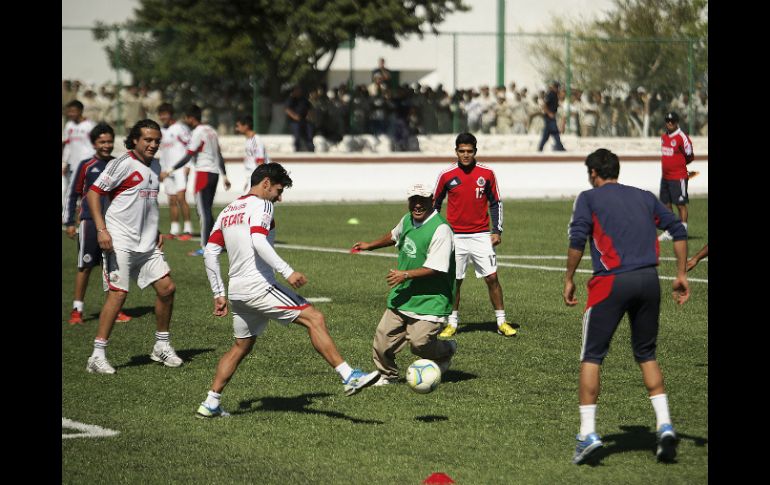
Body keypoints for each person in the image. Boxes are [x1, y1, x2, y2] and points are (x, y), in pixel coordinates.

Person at [197, 163, 379, 417]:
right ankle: (349, 376)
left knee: (241, 346)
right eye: (279, 190)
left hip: (237, 291)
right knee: (314, 318)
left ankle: (210, 402)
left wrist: (219, 293)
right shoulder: (262, 205)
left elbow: (210, 252)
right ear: (266, 183)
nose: (279, 197)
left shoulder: (229, 210)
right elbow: (258, 239)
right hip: (258, 286)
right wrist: (287, 271)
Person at [563, 148, 690, 465]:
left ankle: (588, 434)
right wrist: (680, 274)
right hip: (649, 281)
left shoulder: (589, 198)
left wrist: (568, 278)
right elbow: (677, 228)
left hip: (611, 283)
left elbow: (578, 239)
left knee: (592, 355)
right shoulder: (645, 196)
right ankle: (664, 425)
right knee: (646, 354)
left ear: (593, 173)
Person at [85, 119, 182, 374]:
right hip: (120, 241)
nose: (153, 145)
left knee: (167, 288)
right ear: (135, 140)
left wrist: (156, 230)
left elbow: (145, 204)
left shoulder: (155, 165)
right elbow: (94, 193)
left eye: (156, 141)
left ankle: (161, 346)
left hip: (147, 243)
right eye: (148, 140)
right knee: (118, 294)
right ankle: (97, 355)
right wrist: (101, 229)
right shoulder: (123, 163)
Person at [352, 183, 458, 386]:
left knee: (420, 345)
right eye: (413, 200)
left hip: (431, 299)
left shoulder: (441, 229)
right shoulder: (407, 219)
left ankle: (447, 350)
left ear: (433, 201)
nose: (417, 205)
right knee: (382, 343)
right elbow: (394, 236)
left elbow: (437, 268)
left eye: (422, 200)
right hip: (404, 294)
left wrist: (406, 274)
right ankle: (388, 376)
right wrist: (370, 245)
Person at [433, 132, 516, 338]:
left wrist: (496, 231)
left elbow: (496, 202)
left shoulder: (487, 174)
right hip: (455, 237)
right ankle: (452, 323)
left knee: (492, 277)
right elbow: (435, 204)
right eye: (462, 151)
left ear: (475, 151)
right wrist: (435, 233)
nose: (466, 155)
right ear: (456, 152)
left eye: (470, 151)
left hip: (481, 235)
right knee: (454, 281)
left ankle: (501, 321)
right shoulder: (446, 175)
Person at [62, 123, 131, 325]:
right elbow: (73, 193)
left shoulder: (118, 164)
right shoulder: (86, 165)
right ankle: (77, 309)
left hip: (113, 224)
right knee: (85, 266)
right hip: (90, 223)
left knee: (112, 267)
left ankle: (115, 309)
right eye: (102, 142)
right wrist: (69, 222)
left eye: (109, 141)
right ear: (94, 143)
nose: (106, 145)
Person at [160, 104, 231, 256]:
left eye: (187, 118)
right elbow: (218, 154)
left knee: (203, 212)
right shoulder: (211, 130)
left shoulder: (198, 132)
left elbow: (188, 155)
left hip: (203, 173)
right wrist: (224, 175)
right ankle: (216, 244)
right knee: (207, 211)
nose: (186, 120)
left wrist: (169, 170)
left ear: (191, 118)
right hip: (214, 173)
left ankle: (206, 247)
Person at [157, 102, 194, 240]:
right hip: (167, 171)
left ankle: (188, 230)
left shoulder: (180, 128)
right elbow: (163, 152)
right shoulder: (160, 131)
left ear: (170, 114)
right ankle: (174, 231)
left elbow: (191, 146)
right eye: (160, 114)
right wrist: (161, 170)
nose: (162, 117)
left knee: (181, 198)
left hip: (179, 169)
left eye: (165, 114)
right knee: (171, 200)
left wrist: (188, 166)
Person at [658, 111, 694, 241]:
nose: (669, 123)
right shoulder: (663, 137)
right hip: (665, 177)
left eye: (672, 121)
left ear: (677, 122)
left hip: (678, 177)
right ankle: (670, 231)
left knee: (680, 205)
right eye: (667, 121)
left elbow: (690, 156)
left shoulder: (682, 137)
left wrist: (679, 167)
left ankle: (682, 231)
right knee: (666, 205)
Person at [62, 100, 96, 208]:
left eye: (73, 111)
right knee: (71, 190)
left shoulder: (90, 125)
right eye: (69, 112)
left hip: (87, 164)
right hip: (73, 164)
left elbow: (96, 145)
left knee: (85, 190)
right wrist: (65, 162)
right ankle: (70, 216)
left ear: (80, 111)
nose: (70, 114)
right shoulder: (69, 125)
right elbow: (67, 144)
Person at [234, 115, 270, 192]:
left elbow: (261, 162)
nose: (236, 128)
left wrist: (260, 182)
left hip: (257, 177)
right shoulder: (248, 140)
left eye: (238, 126)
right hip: (251, 177)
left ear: (246, 126)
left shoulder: (256, 141)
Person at [537, 80, 566, 152]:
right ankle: (559, 147)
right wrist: (549, 113)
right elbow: (544, 105)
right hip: (549, 116)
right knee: (555, 132)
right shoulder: (551, 94)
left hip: (551, 116)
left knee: (546, 134)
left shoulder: (555, 95)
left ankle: (540, 147)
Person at [285, 86, 315, 152]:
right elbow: (287, 110)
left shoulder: (304, 100)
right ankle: (297, 149)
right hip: (294, 121)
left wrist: (309, 115)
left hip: (304, 120)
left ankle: (310, 149)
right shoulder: (291, 99)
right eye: (297, 91)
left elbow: (310, 108)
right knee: (297, 135)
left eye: (300, 91)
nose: (299, 92)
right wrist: (295, 116)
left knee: (309, 132)